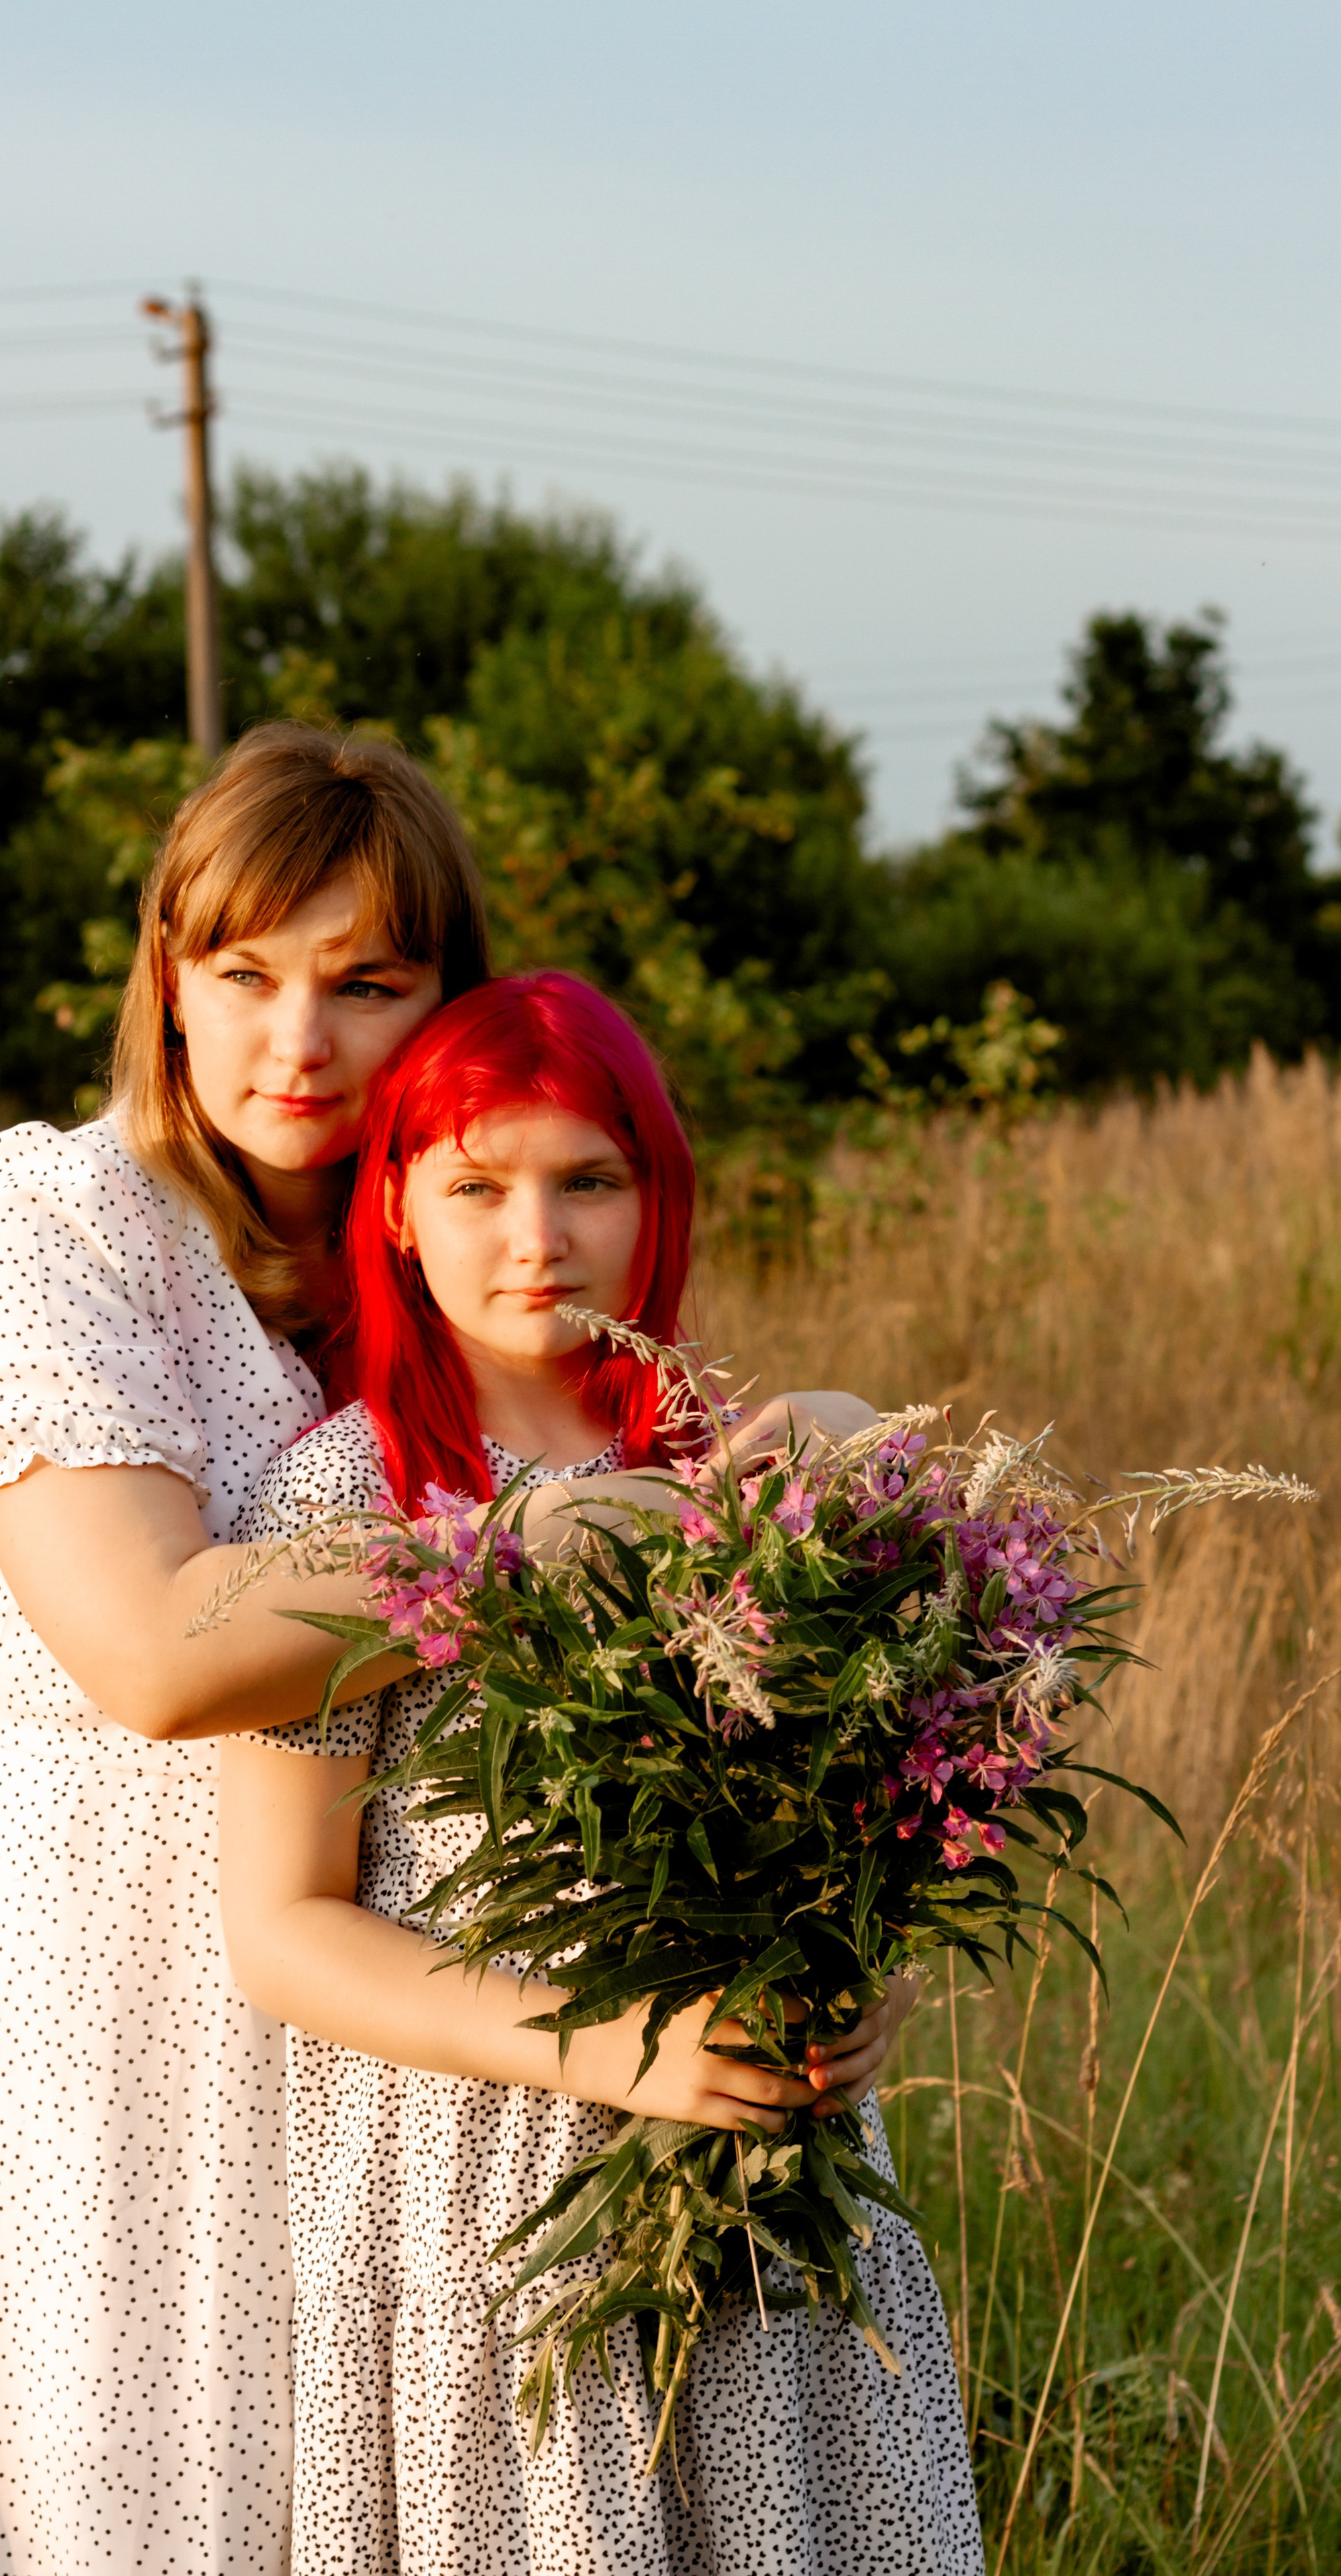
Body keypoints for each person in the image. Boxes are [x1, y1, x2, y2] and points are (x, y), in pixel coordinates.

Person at [0, 725, 888, 2576]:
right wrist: (530, 1542)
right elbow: (155, 1655)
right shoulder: (58, 1222)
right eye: (241, 976)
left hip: (412, 2067)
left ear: (449, 1001)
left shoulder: (464, 1251)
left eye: (367, 984)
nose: (296, 1043)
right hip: (106, 2016)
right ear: (165, 977)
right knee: (129, 2513)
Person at [219, 972, 977, 2576]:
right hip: (492, 2198)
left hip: (766, 2182)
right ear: (400, 1212)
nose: (534, 1238)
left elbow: (854, 1815)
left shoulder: (733, 1469)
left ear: (656, 1197)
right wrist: (619, 2051)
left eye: (587, 1181)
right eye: (477, 1186)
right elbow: (282, 1928)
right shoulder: (352, 1492)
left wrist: (849, 1976)